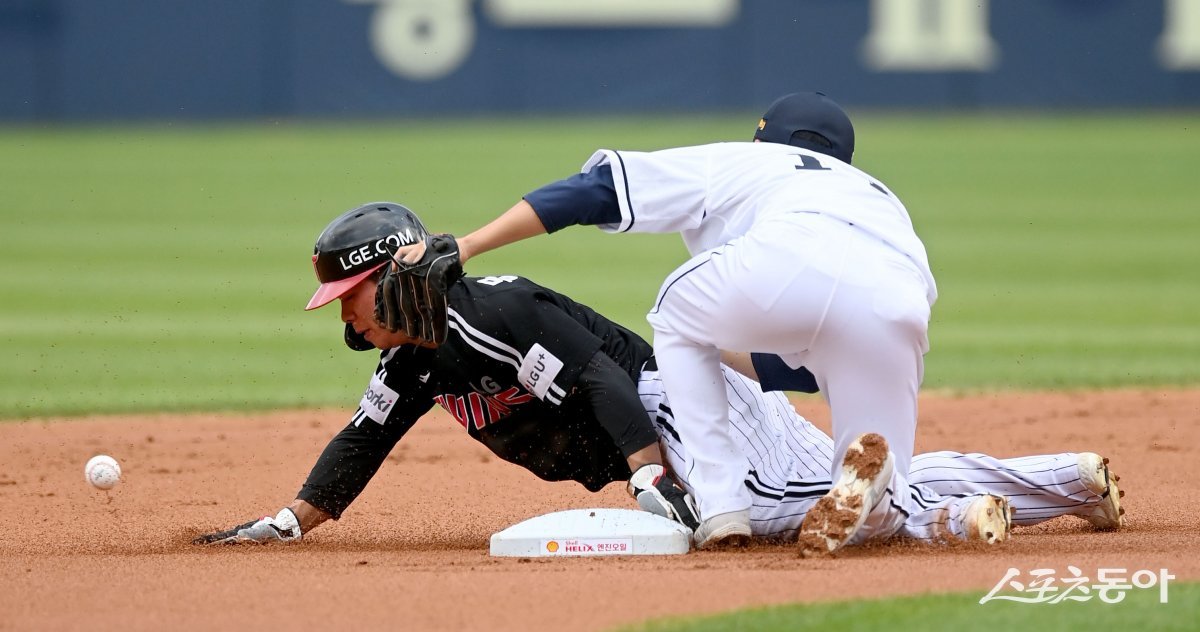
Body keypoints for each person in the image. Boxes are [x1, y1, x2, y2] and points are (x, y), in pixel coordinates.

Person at [194, 202, 1126, 547]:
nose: (347, 314)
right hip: (672, 418)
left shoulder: (493, 312)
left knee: (768, 512)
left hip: (677, 401)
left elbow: (602, 377)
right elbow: (362, 439)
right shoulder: (414, 359)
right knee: (820, 491)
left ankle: (957, 520)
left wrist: (649, 474)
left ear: (398, 276)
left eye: (353, 293)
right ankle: (1063, 480)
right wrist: (288, 521)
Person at [389, 91, 942, 556]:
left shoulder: (748, 161)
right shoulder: (878, 196)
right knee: (883, 511)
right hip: (898, 299)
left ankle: (721, 501)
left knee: (676, 311)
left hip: (785, 259)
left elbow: (595, 191)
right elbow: (803, 369)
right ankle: (939, 511)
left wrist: (468, 244)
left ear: (764, 140)